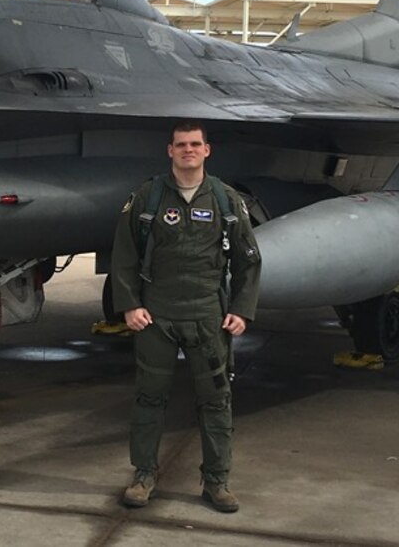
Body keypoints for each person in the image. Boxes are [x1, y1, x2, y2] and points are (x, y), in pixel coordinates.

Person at [110, 119, 261, 512]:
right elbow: (124, 254)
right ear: (170, 151)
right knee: (149, 398)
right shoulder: (148, 198)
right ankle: (144, 475)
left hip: (208, 314)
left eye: (195, 144)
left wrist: (241, 309)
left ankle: (217, 481)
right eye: (181, 145)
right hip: (157, 315)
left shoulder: (226, 200)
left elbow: (248, 259)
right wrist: (130, 305)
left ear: (206, 150)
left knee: (216, 400)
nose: (188, 150)